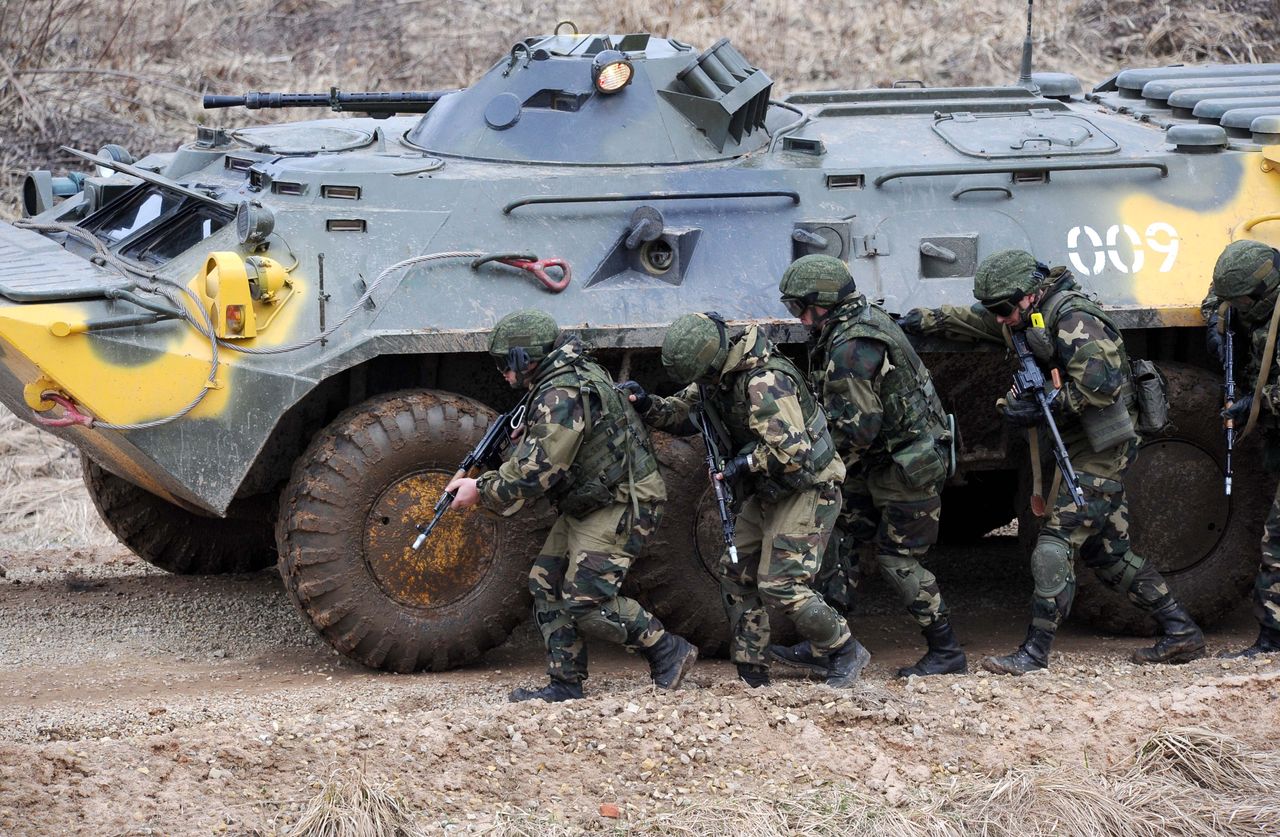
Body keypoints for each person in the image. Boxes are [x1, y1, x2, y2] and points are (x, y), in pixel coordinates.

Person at [900, 249, 1205, 674]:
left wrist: (1045, 403)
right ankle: (1182, 632)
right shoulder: (1026, 317)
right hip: (1081, 441)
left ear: (1029, 295)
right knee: (1107, 553)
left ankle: (1035, 652)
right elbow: (983, 324)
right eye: (996, 310)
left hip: (1101, 447)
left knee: (1053, 544)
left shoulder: (1075, 320)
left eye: (1005, 309)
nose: (1001, 318)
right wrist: (923, 322)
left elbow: (1102, 388)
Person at [447, 309, 697, 702]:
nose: (501, 374)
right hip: (593, 498)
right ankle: (565, 683)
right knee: (545, 580)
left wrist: (479, 489)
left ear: (523, 360)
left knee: (587, 601)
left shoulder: (560, 393)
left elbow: (534, 476)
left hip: (622, 501)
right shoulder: (563, 377)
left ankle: (666, 649)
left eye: (503, 364)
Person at [620, 312, 871, 688]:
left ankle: (843, 649)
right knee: (735, 572)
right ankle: (752, 666)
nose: (699, 383)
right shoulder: (719, 378)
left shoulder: (764, 382)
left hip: (806, 488)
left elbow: (794, 452)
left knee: (782, 583)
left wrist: (743, 464)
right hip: (770, 488)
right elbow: (686, 414)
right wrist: (646, 404)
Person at [769, 255, 965, 678]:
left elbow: (857, 429)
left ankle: (947, 651)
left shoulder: (851, 347)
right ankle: (829, 640)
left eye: (802, 309)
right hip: (883, 458)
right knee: (839, 532)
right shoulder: (856, 320)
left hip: (907, 466)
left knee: (899, 559)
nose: (801, 320)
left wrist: (808, 466)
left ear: (826, 303)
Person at [1201, 240, 1280, 658]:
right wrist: (1218, 325)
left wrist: (1258, 402)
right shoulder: (1246, 289)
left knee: (1277, 540)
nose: (1239, 307)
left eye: (1243, 302)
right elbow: (1213, 298)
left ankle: (1272, 638)